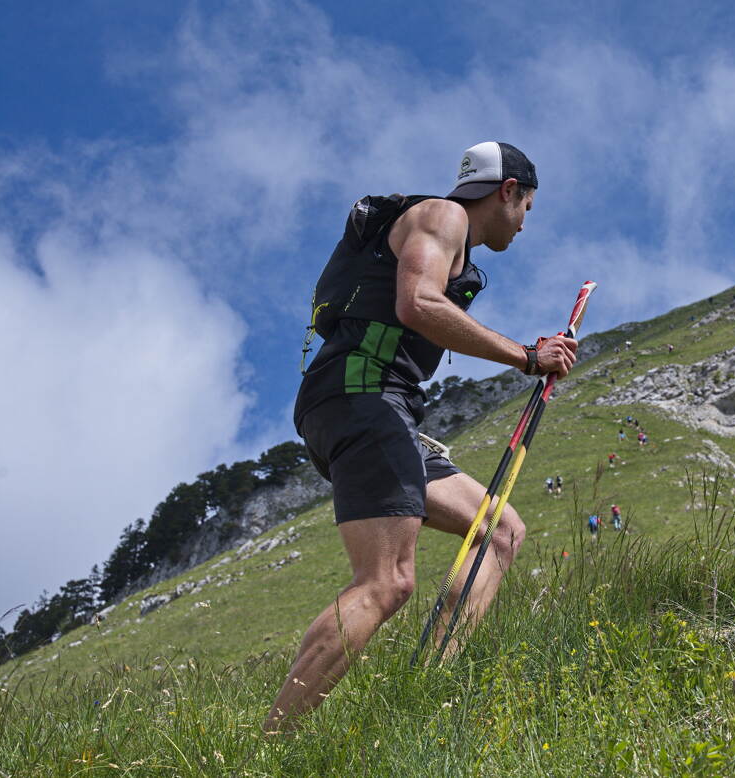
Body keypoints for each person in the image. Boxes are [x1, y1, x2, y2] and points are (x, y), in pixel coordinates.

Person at [265, 141, 577, 734]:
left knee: (499, 530)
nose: (525, 222)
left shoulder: (445, 228)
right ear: (508, 190)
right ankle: (270, 747)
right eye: (528, 207)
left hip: (373, 407)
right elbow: (418, 302)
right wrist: (524, 357)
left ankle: (427, 686)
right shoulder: (443, 215)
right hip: (363, 396)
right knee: (386, 582)